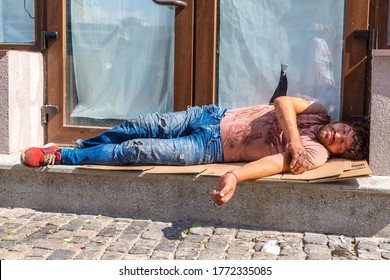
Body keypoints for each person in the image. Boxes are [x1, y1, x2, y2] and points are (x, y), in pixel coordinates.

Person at [21, 96, 369, 205]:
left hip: (212, 147)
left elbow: (275, 163)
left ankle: (60, 156)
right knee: (137, 125)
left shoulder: (317, 155)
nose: (337, 135)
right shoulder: (319, 110)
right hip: (214, 114)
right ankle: (79, 145)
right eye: (344, 129)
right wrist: (293, 138)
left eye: (343, 142)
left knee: (137, 150)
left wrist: (234, 175)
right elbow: (282, 103)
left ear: (341, 153)